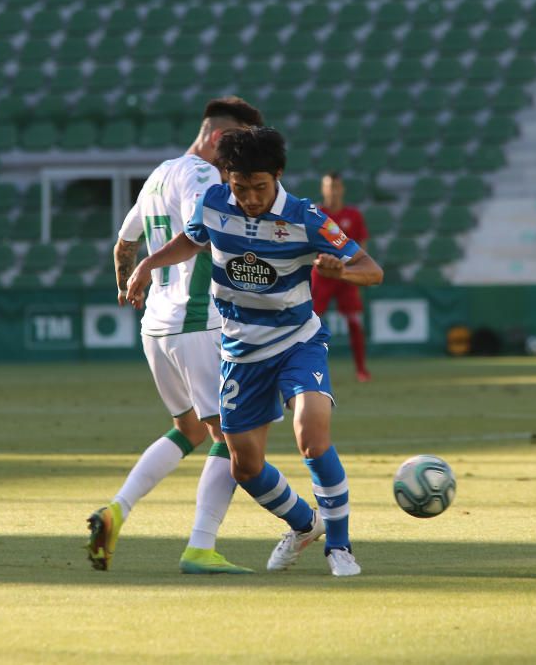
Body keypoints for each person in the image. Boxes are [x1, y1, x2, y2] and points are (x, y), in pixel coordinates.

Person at [125, 127, 383, 576]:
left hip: (296, 341)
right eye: (239, 187)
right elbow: (193, 238)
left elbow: (372, 270)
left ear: (278, 176)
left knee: (312, 429)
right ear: (226, 178)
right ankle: (305, 524)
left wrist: (342, 272)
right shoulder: (213, 204)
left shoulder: (305, 217)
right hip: (241, 350)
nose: (249, 198)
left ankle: (339, 547)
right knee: (244, 466)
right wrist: (149, 263)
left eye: (259, 187)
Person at [86, 97, 264, 574]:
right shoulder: (203, 176)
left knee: (189, 430)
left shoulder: (159, 173)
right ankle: (201, 547)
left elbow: (123, 241)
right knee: (234, 441)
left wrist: (129, 283)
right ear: (220, 140)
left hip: (157, 330)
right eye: (239, 147)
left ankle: (116, 509)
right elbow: (198, 232)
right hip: (198, 322)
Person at [312, 171, 371, 382]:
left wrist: (357, 272)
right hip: (322, 275)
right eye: (329, 186)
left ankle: (361, 369)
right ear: (323, 189)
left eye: (336, 186)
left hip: (346, 276)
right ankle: (310, 368)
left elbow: (362, 246)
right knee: (310, 323)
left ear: (342, 189)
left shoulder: (353, 215)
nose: (333, 191)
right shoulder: (317, 213)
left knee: (355, 323)